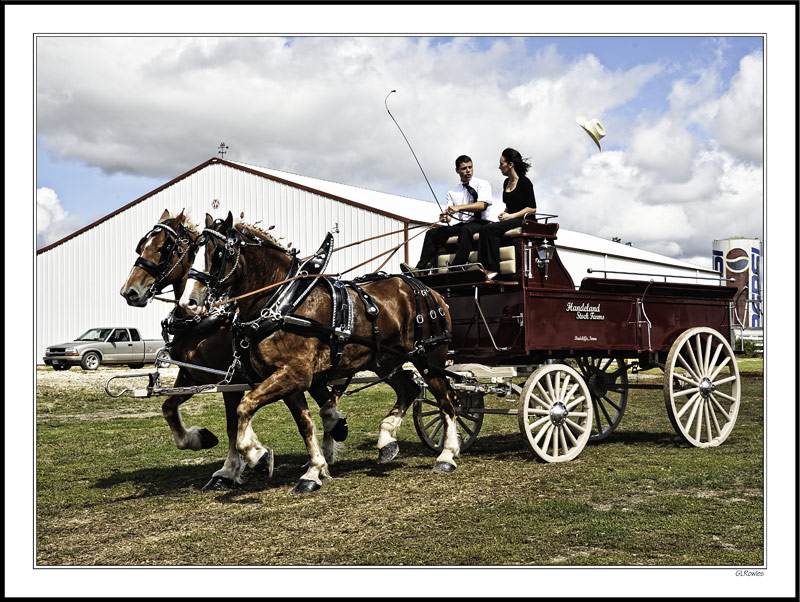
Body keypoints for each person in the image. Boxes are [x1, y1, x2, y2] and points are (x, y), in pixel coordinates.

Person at [400, 155, 492, 273]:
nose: (468, 170)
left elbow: (482, 205)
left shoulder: (483, 184)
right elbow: (449, 214)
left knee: (466, 230)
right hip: (463, 224)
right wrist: (445, 218)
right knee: (432, 233)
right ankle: (421, 268)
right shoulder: (452, 192)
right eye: (464, 168)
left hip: (481, 223)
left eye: (470, 167)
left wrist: (458, 208)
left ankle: (456, 267)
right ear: (457, 171)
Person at [476, 148, 537, 279]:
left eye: (501, 163)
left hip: (524, 220)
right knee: (484, 229)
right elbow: (510, 205)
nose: (499, 167)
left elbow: (532, 208)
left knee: (490, 229)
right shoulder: (506, 182)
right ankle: (482, 266)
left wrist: (511, 216)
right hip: (511, 218)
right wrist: (504, 213)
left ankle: (493, 268)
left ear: (510, 165)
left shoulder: (524, 182)